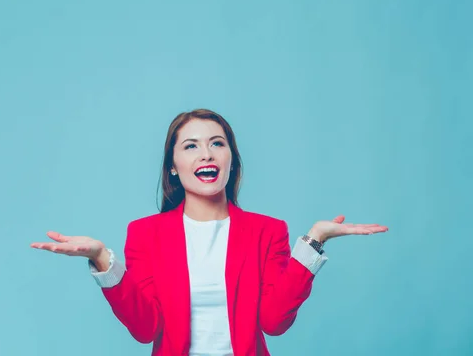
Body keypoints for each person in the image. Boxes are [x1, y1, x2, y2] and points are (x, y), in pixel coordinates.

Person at [30, 108, 388, 356]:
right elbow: (145, 328)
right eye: (191, 146)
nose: (207, 154)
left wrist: (313, 242)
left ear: (232, 159)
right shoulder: (145, 234)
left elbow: (274, 323)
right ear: (173, 166)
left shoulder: (268, 231)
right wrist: (101, 259)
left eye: (217, 143)